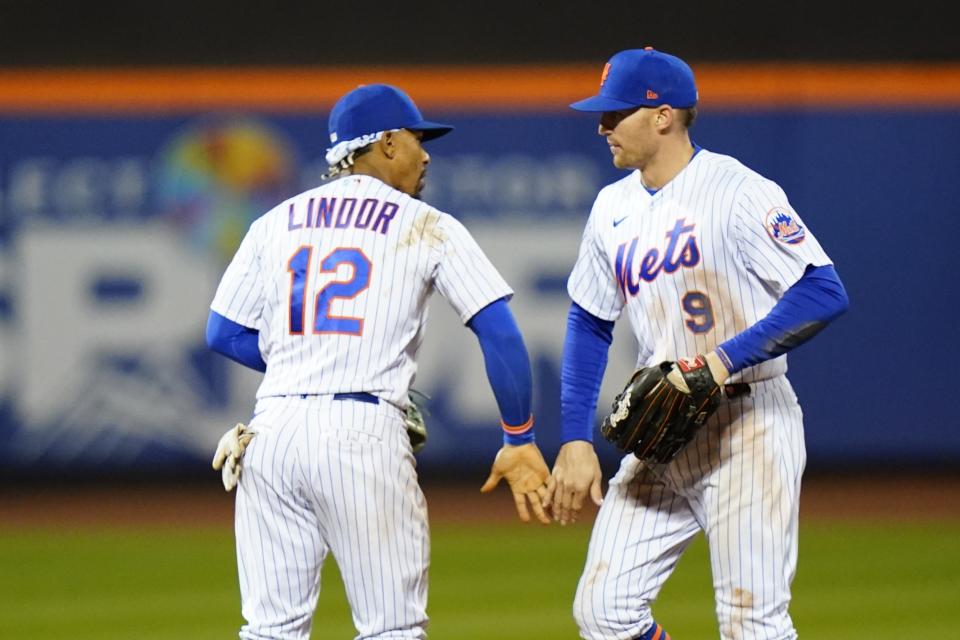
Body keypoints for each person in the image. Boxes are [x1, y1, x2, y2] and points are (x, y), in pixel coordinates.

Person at [205, 83, 550, 640]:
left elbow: (222, 332)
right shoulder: (425, 223)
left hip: (269, 434)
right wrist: (519, 436)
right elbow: (500, 333)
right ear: (387, 143)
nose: (426, 152)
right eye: (417, 138)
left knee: (270, 630)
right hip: (361, 432)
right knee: (392, 629)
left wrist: (307, 368)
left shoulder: (274, 221)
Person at [543, 48, 849, 640]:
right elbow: (589, 320)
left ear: (663, 116)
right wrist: (576, 438)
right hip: (662, 431)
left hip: (747, 423)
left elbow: (822, 290)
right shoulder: (612, 206)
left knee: (751, 623)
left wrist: (719, 360)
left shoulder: (737, 190)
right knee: (603, 613)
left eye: (616, 112)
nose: (602, 125)